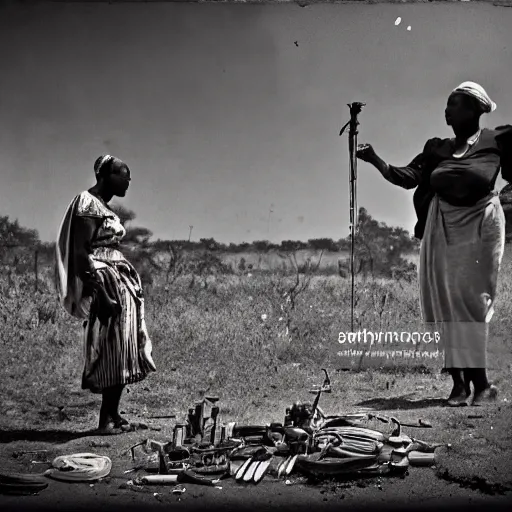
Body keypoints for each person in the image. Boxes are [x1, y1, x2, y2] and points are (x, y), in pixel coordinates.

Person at [356, 82, 512, 406]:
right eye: (446, 105)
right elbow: (407, 176)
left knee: (473, 300)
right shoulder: (436, 148)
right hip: (442, 225)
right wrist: (374, 159)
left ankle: (481, 382)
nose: (447, 110)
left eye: (454, 104)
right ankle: (459, 384)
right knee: (446, 302)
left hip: (482, 223)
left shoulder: (495, 140)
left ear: (474, 109)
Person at [55, 155, 157, 433]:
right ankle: (105, 420)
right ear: (105, 175)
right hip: (106, 282)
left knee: (122, 348)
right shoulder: (87, 204)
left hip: (117, 280)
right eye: (123, 175)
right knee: (112, 348)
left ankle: (113, 414)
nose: (128, 181)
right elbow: (81, 252)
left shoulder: (103, 207)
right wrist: (101, 291)